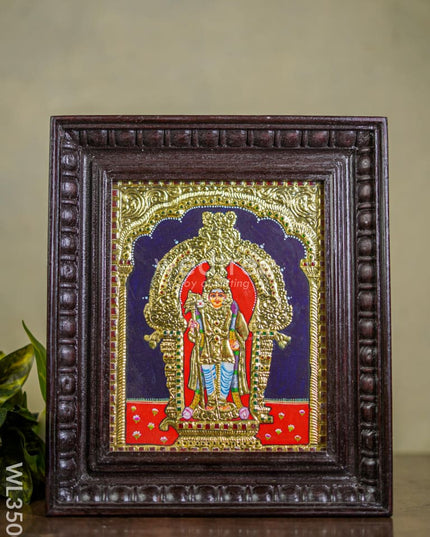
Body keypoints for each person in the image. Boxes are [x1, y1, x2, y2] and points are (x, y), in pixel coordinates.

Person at [182, 263, 250, 421]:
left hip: (227, 350)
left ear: (226, 296)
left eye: (220, 295)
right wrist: (193, 329)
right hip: (207, 350)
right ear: (207, 296)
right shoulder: (201, 313)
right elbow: (193, 337)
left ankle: (223, 401)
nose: (217, 299)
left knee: (226, 375)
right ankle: (211, 402)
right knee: (208, 375)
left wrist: (237, 341)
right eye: (213, 295)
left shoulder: (233, 312)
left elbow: (244, 332)